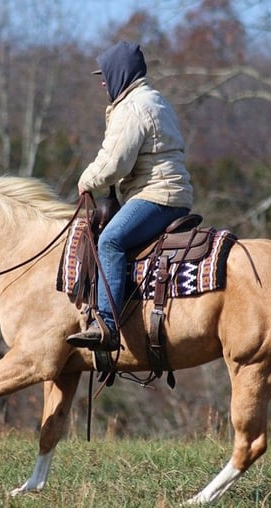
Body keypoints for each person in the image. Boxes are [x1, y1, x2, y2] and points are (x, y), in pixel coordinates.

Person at [66, 40, 194, 351]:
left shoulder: (133, 107)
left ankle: (106, 326)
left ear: (120, 73)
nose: (102, 81)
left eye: (105, 74)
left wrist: (86, 180)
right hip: (172, 195)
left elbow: (114, 163)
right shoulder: (156, 100)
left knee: (110, 241)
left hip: (155, 195)